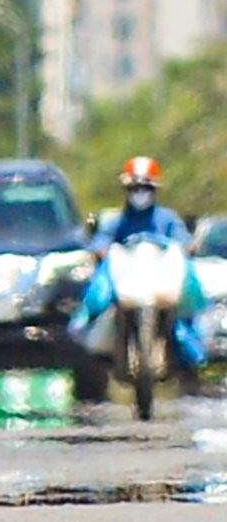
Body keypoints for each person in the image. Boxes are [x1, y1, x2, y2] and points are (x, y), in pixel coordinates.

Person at [71, 156, 207, 369]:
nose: (140, 194)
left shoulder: (167, 218)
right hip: (127, 284)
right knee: (99, 300)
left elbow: (182, 240)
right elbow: (102, 240)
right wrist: (101, 249)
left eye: (145, 188)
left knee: (185, 317)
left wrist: (186, 247)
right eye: (135, 188)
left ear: (155, 190)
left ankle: (184, 353)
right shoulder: (119, 220)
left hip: (161, 284)